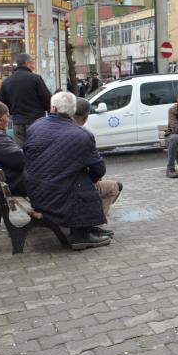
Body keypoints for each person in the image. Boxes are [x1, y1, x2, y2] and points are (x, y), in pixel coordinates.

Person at [23, 92, 112, 250]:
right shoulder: (82, 135)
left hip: (35, 193)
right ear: (73, 111)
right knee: (82, 181)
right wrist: (88, 178)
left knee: (75, 178)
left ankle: (86, 228)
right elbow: (99, 169)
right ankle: (80, 236)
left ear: (53, 108)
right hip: (58, 200)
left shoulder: (35, 126)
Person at [74, 97, 123, 219]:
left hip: (46, 187)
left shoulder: (48, 128)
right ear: (85, 118)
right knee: (114, 187)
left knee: (99, 179)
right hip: (70, 188)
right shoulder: (83, 135)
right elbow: (99, 168)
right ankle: (95, 221)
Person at [0, 53, 51, 147]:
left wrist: (11, 113)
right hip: (36, 121)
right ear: (27, 63)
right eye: (32, 63)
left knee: (21, 150)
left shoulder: (7, 81)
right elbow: (47, 99)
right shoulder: (36, 79)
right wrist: (49, 113)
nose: (33, 66)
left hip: (18, 122)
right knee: (37, 149)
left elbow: (1, 103)